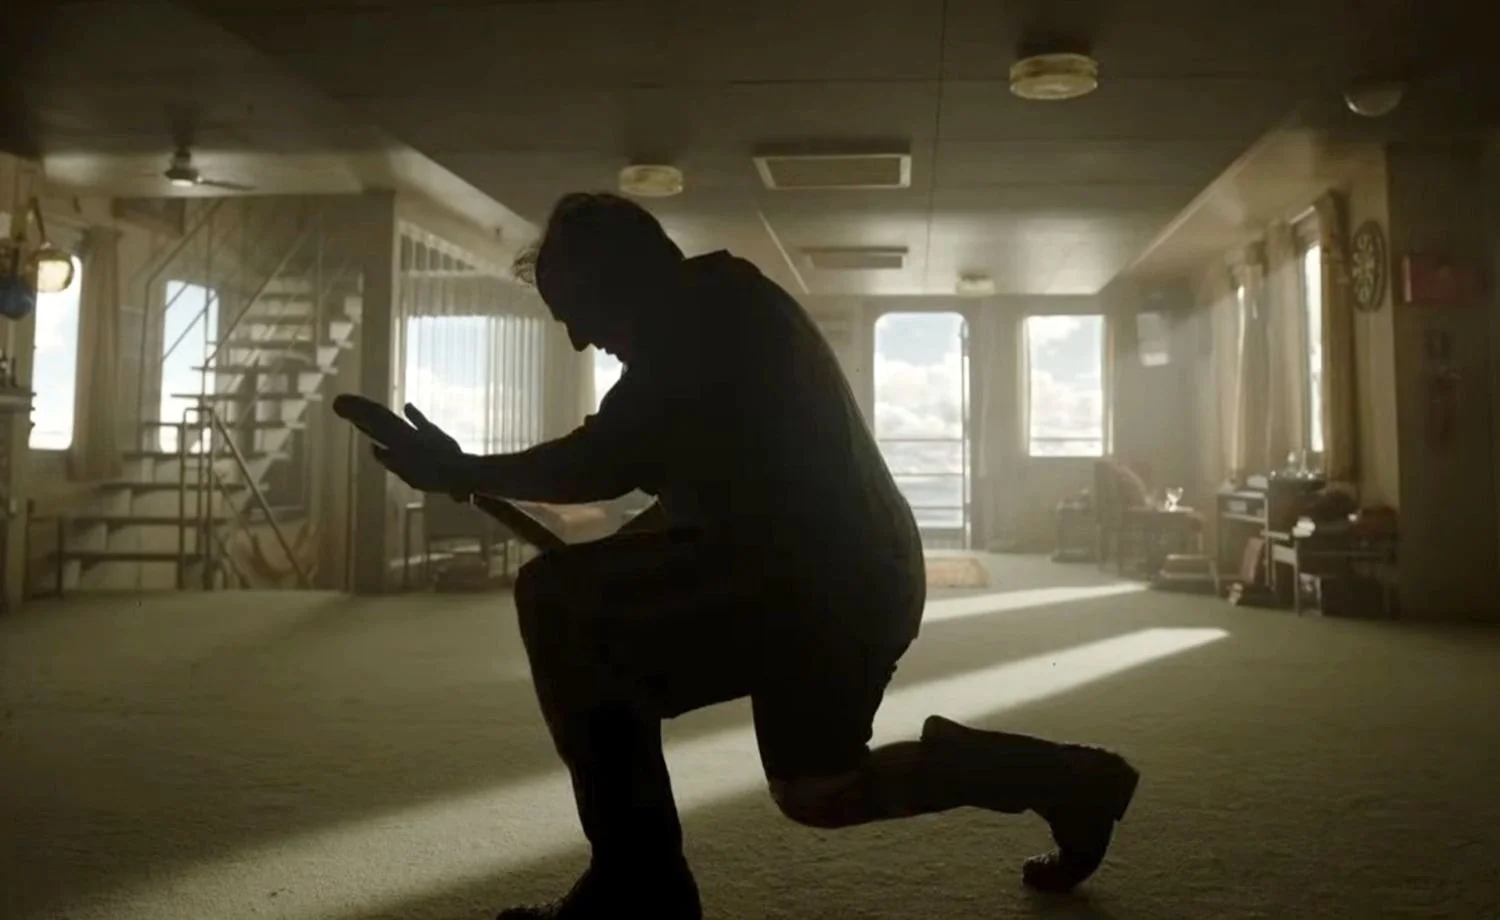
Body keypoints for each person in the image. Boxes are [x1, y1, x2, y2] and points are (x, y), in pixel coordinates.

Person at [370, 193, 1139, 919]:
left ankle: (638, 890)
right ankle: (1069, 781)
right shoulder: (721, 312)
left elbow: (603, 460)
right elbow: (703, 489)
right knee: (819, 790)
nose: (578, 338)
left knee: (558, 604)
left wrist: (467, 471)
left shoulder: (705, 321)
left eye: (579, 313)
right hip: (841, 576)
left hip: (821, 582)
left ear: (625, 277)